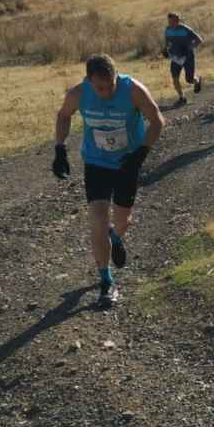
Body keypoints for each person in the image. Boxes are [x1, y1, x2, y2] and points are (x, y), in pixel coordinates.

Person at [52, 54, 164, 308]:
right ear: (89, 81)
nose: (105, 92)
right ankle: (106, 280)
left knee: (123, 220)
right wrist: (60, 149)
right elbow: (63, 115)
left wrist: (141, 154)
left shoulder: (133, 90)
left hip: (127, 163)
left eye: (110, 85)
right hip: (96, 163)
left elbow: (157, 120)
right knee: (98, 219)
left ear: (117, 77)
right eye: (99, 87)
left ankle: (116, 236)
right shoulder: (79, 94)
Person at [163, 10, 203, 106]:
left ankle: (196, 81)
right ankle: (182, 97)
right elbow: (167, 42)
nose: (171, 24)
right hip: (176, 57)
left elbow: (199, 40)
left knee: (189, 79)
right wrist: (165, 50)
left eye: (173, 21)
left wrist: (190, 47)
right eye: (170, 22)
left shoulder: (185, 29)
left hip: (188, 57)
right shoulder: (167, 30)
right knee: (175, 78)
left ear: (178, 20)